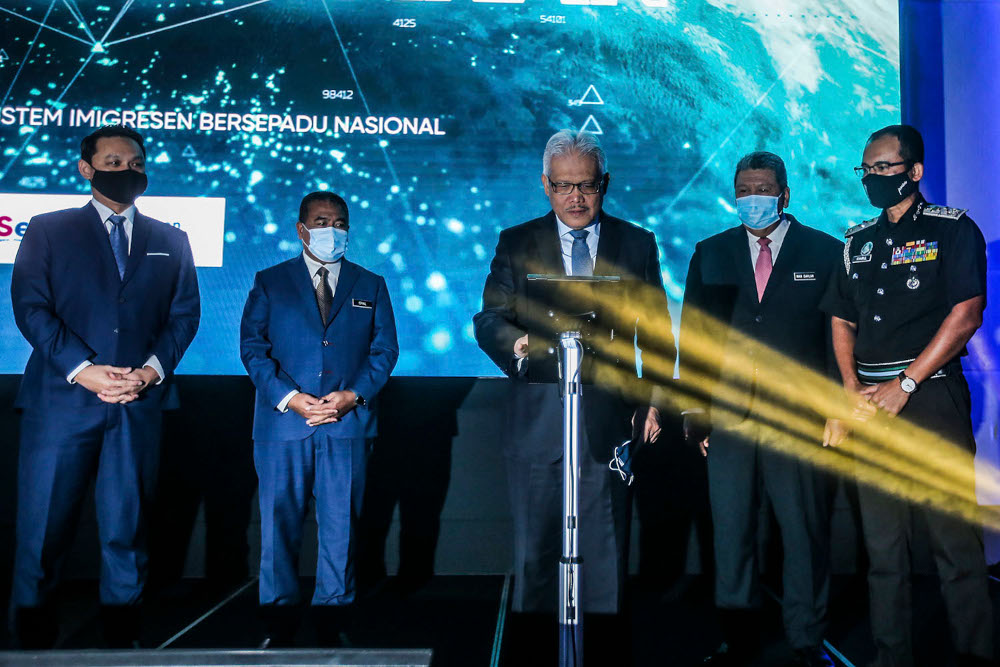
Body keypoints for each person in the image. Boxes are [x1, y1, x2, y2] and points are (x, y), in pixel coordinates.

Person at [473, 130, 674, 658]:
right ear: (546, 185)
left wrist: (654, 400)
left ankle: (603, 649)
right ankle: (536, 649)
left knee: (605, 538)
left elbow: (656, 335)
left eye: (586, 185)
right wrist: (520, 346)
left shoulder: (636, 243)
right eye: (563, 186)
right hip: (539, 415)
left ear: (604, 184)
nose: (575, 198)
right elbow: (489, 318)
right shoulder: (517, 241)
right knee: (538, 542)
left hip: (610, 415)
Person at [9, 124, 201, 648]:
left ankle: (122, 644)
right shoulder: (48, 229)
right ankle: (30, 647)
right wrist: (84, 369)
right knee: (42, 534)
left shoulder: (172, 239)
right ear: (86, 168)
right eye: (113, 163)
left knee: (127, 531)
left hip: (138, 401)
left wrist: (149, 371)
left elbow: (184, 316)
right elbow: (31, 308)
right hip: (61, 401)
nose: (126, 171)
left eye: (134, 164)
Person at [822, 124, 994, 667]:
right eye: (866, 169)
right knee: (883, 548)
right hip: (870, 403)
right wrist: (851, 389)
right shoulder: (856, 241)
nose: (872, 177)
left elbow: (966, 314)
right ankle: (890, 656)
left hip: (931, 397)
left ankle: (976, 653)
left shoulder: (952, 229)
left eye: (883, 168)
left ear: (914, 172)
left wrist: (906, 384)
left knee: (953, 542)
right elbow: (841, 318)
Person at [679, 151, 841, 666]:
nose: (753, 199)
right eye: (744, 190)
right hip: (730, 417)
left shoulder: (826, 252)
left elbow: (839, 340)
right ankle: (738, 640)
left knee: (805, 533)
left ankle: (806, 640)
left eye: (763, 189)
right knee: (732, 534)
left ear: (784, 194)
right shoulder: (710, 253)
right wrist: (696, 414)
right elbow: (694, 339)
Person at [240, 191, 398, 647]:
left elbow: (385, 350)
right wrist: (291, 398)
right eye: (322, 221)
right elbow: (253, 349)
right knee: (278, 526)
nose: (333, 230)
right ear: (302, 229)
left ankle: (334, 620)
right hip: (283, 426)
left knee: (341, 528)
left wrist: (354, 395)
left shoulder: (371, 283)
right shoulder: (270, 281)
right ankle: (277, 621)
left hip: (347, 424)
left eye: (340, 222)